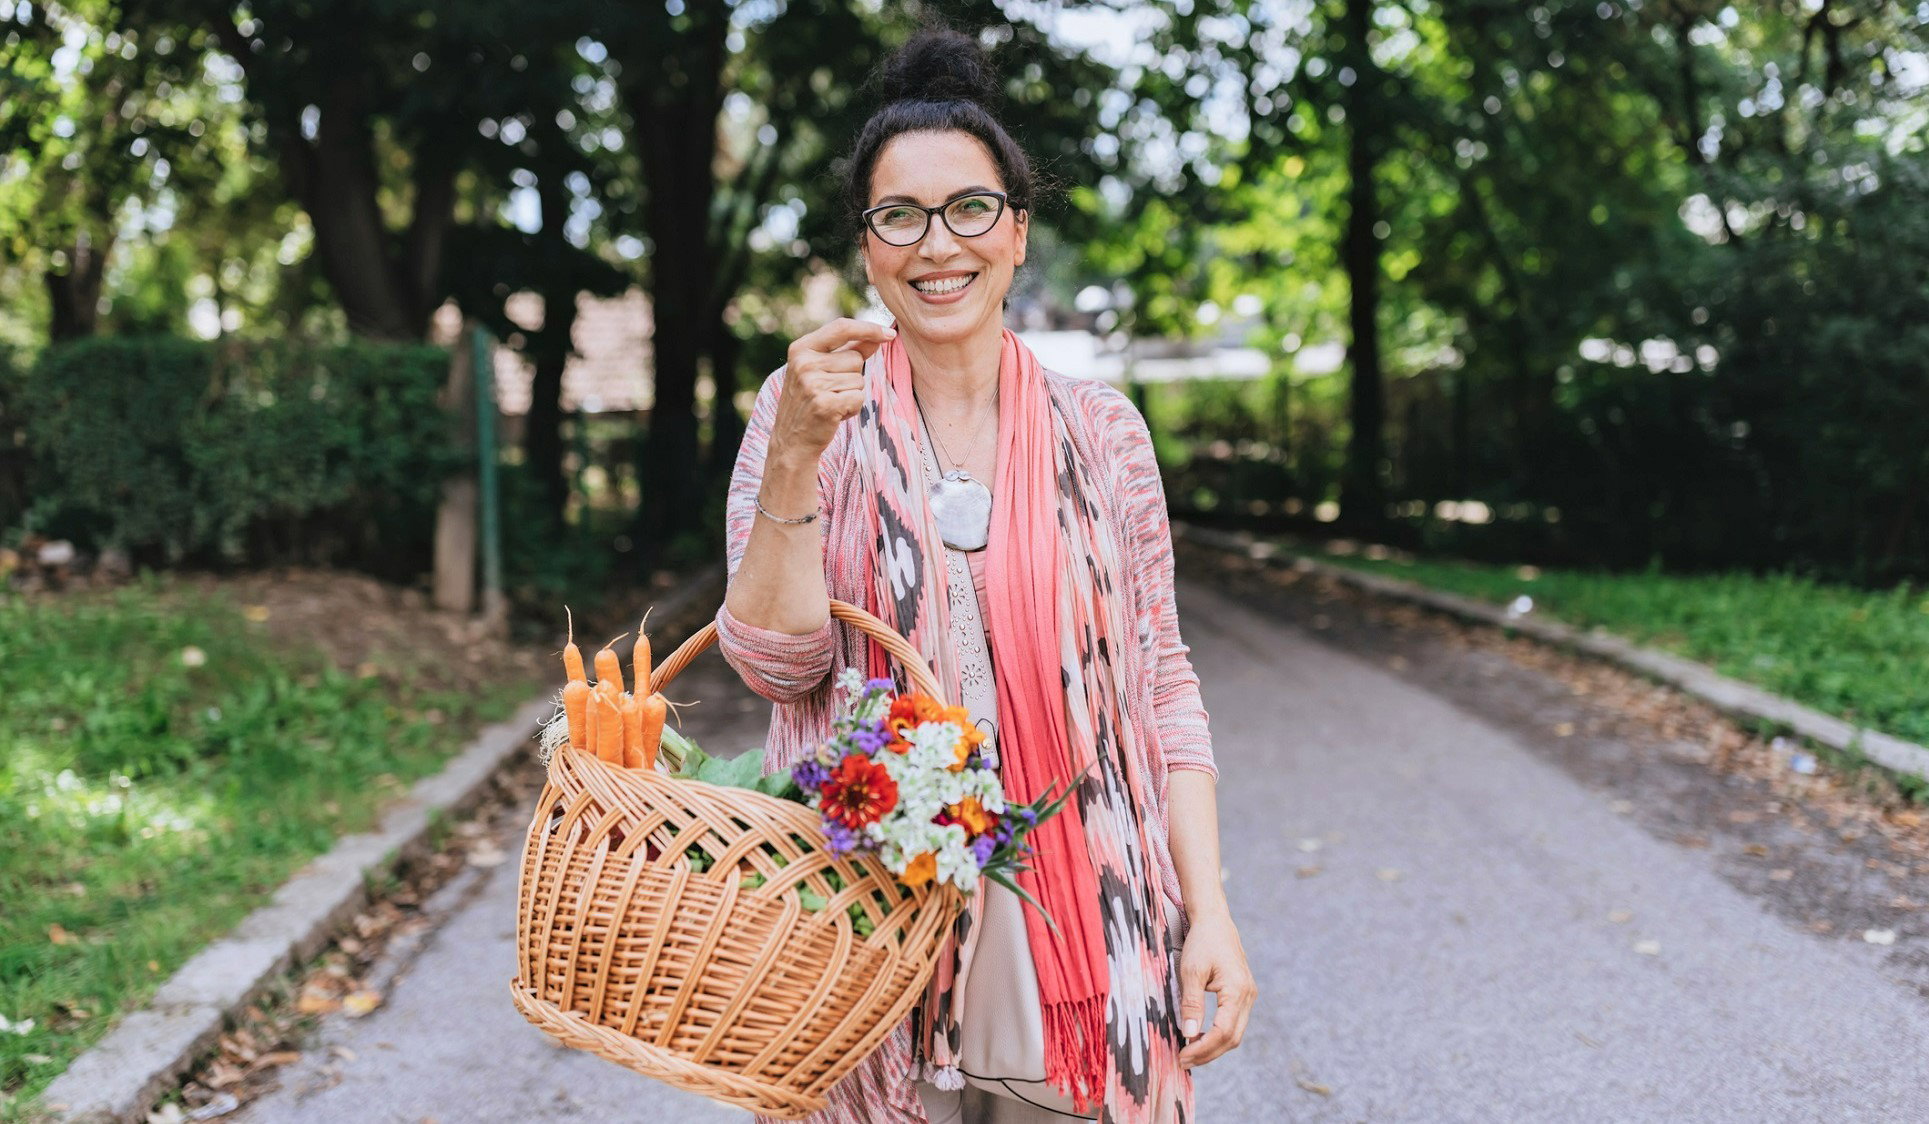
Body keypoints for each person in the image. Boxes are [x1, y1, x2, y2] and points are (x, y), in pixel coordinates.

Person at [715, 24, 1255, 1124]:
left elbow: (1162, 687)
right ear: (867, 248)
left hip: (1089, 925)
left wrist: (1211, 911)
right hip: (868, 928)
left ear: (1016, 229)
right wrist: (795, 461)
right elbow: (778, 664)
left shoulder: (1103, 431)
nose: (936, 244)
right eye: (898, 217)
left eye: (968, 208)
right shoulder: (807, 411)